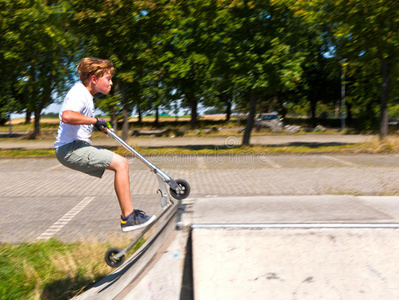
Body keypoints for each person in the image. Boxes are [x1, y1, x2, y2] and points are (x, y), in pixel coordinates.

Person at [54, 57, 155, 232]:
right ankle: (128, 217)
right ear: (94, 79)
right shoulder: (79, 92)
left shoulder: (87, 95)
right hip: (70, 149)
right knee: (121, 164)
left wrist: (96, 124)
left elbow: (76, 120)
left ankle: (128, 215)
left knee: (121, 163)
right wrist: (94, 121)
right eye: (107, 79)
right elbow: (67, 116)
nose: (111, 82)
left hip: (76, 146)